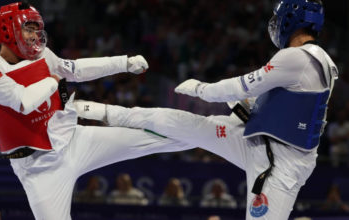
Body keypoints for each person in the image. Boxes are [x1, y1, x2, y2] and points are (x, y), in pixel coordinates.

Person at [77, 0, 338, 219]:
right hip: (258, 143)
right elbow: (277, 108)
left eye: (277, 18)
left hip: (278, 166)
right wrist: (243, 107)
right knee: (181, 122)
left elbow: (238, 87)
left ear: (290, 19)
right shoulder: (320, 62)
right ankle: (99, 111)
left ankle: (101, 111)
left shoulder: (296, 58)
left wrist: (201, 89)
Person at [0, 2, 192, 219]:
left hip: (74, 140)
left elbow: (76, 70)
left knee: (154, 137)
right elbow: (22, 100)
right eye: (29, 29)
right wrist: (53, 80)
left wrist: (123, 63)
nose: (35, 36)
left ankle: (212, 131)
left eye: (37, 30)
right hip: (38, 168)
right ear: (7, 30)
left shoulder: (43, 55)